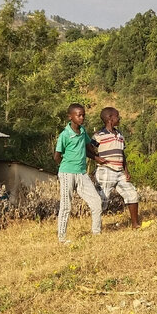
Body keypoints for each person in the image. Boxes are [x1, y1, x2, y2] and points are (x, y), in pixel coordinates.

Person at [54, 103, 102, 243]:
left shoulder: (83, 131)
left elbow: (88, 148)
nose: (82, 117)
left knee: (96, 201)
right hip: (67, 173)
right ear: (70, 117)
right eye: (78, 115)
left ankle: (96, 233)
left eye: (83, 115)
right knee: (66, 206)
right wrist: (64, 167)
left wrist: (97, 157)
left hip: (82, 173)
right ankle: (62, 238)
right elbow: (57, 156)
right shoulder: (65, 135)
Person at [92, 106, 141, 229]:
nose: (119, 118)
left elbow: (122, 154)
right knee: (102, 200)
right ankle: (97, 228)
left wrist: (126, 171)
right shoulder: (99, 135)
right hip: (106, 170)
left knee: (132, 194)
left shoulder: (120, 135)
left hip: (120, 172)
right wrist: (96, 158)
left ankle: (135, 224)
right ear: (110, 119)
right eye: (117, 116)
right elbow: (89, 149)